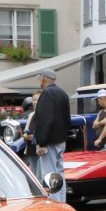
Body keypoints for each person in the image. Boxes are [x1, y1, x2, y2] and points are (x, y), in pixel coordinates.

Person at [29, 69, 71, 201]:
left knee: (49, 174)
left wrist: (42, 142)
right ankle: (61, 201)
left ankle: (55, 202)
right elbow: (67, 119)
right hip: (60, 139)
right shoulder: (62, 93)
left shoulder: (47, 93)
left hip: (49, 141)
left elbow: (45, 119)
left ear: (43, 78)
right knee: (59, 173)